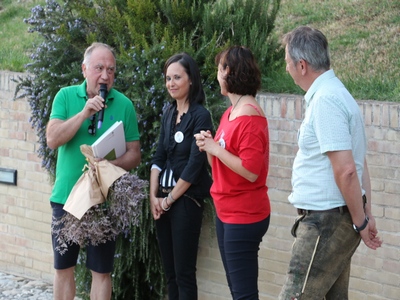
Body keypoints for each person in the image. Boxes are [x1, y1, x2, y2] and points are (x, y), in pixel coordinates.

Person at [279, 26, 383, 300]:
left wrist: (362, 222)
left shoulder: (326, 100)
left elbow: (348, 170)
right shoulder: (335, 94)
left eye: (288, 61)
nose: (286, 67)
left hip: (325, 222)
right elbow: (359, 164)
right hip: (334, 220)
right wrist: (364, 215)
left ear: (302, 65)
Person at [46, 42, 141, 300]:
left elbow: (134, 153)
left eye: (111, 70)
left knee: (101, 271)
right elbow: (52, 139)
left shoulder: (124, 105)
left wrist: (109, 166)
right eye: (99, 68)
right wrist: (84, 112)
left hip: (104, 201)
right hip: (67, 200)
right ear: (84, 69)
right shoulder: (65, 97)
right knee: (64, 268)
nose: (105, 75)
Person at [194, 46, 271, 300]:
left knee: (244, 294)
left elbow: (250, 171)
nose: (217, 76)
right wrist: (209, 147)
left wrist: (216, 148)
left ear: (230, 72)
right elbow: (221, 166)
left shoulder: (250, 117)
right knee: (236, 289)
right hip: (226, 210)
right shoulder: (231, 112)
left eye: (219, 69)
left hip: (244, 214)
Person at [149, 53, 213, 300]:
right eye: (168, 78)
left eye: (177, 77)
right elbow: (159, 156)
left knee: (184, 273)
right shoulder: (168, 112)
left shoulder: (200, 116)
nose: (171, 83)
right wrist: (153, 197)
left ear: (191, 80)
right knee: (170, 273)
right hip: (163, 202)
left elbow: (194, 167)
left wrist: (168, 201)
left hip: (186, 202)